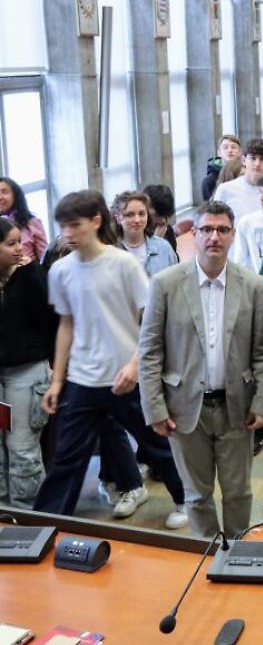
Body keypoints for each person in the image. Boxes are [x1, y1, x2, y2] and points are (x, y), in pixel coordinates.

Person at [34, 191, 186, 526]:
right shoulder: (60, 270)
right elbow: (66, 325)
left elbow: (150, 322)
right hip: (82, 380)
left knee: (155, 444)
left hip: (125, 379)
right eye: (63, 226)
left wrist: (134, 366)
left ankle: (187, 500)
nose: (68, 233)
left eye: (75, 225)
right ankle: (44, 525)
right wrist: (57, 380)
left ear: (96, 221)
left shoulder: (123, 264)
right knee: (67, 457)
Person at [138, 201, 263, 538]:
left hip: (237, 406)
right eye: (207, 230)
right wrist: (154, 407)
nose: (215, 237)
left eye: (223, 230)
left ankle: (239, 553)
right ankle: (207, 555)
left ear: (231, 235)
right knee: (197, 495)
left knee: (239, 492)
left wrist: (262, 403)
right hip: (184, 407)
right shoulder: (165, 283)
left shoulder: (252, 284)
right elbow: (150, 349)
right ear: (193, 234)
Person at [0, 218, 55, 507]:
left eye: (18, 241)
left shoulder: (32, 275)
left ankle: (30, 517)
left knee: (22, 449)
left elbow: (50, 320)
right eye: (10, 244)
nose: (18, 249)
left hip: (26, 372)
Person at [112, 191, 179, 278]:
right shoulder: (110, 253)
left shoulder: (164, 248)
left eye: (142, 214)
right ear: (118, 218)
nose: (137, 220)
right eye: (129, 215)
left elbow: (177, 283)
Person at [214, 138, 263, 222]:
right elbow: (215, 220)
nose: (257, 164)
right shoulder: (225, 189)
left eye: (262, 159)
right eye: (253, 158)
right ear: (244, 160)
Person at [0, 177, 48, 262]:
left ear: (15, 194)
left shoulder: (32, 223)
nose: (0, 197)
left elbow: (44, 260)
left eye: (4, 192)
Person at [201, 134, 242, 200]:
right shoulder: (210, 181)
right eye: (225, 147)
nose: (230, 150)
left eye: (233, 147)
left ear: (240, 152)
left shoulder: (246, 173)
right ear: (219, 153)